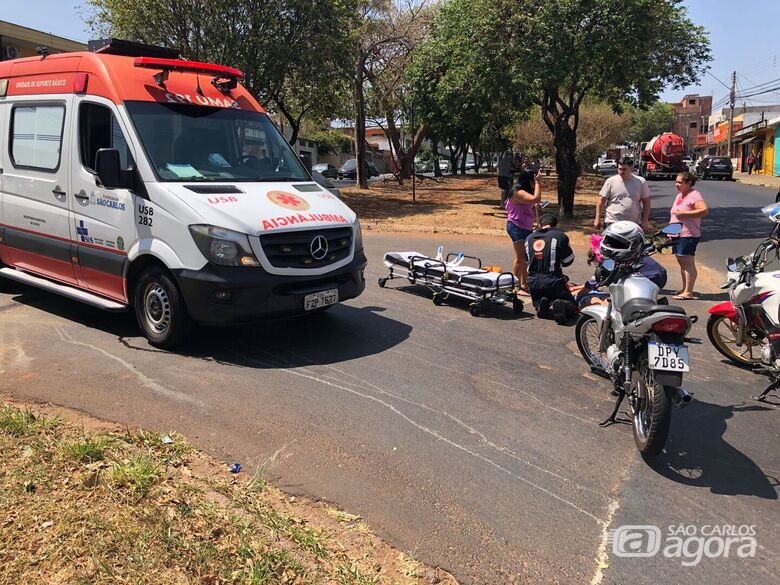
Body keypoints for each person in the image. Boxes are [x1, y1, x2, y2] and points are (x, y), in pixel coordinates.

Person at [525, 213, 577, 324]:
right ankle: (563, 304)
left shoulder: (528, 238)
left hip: (533, 282)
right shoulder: (560, 236)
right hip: (553, 281)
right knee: (574, 308)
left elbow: (527, 261)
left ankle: (540, 304)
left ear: (540, 224)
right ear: (554, 225)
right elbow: (568, 261)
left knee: (540, 297)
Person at [670, 171, 709, 300]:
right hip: (677, 234)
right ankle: (684, 288)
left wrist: (686, 214)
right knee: (682, 262)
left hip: (688, 234)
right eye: (676, 181)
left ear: (689, 183)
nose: (677, 184)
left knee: (687, 263)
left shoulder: (694, 195)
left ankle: (688, 292)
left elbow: (704, 210)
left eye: (680, 182)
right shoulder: (680, 195)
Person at [505, 170, 542, 291]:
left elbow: (533, 203)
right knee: (520, 257)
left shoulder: (524, 192)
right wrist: (538, 183)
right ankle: (514, 284)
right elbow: (536, 198)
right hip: (516, 227)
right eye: (532, 181)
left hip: (526, 227)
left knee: (526, 258)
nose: (533, 185)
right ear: (529, 181)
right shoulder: (518, 192)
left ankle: (524, 283)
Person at [594, 157, 651, 233]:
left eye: (624, 169)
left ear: (631, 168)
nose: (621, 172)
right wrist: (597, 219)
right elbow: (601, 201)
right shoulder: (610, 181)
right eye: (619, 169)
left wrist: (645, 221)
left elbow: (646, 202)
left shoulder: (640, 182)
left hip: (633, 224)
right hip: (612, 222)